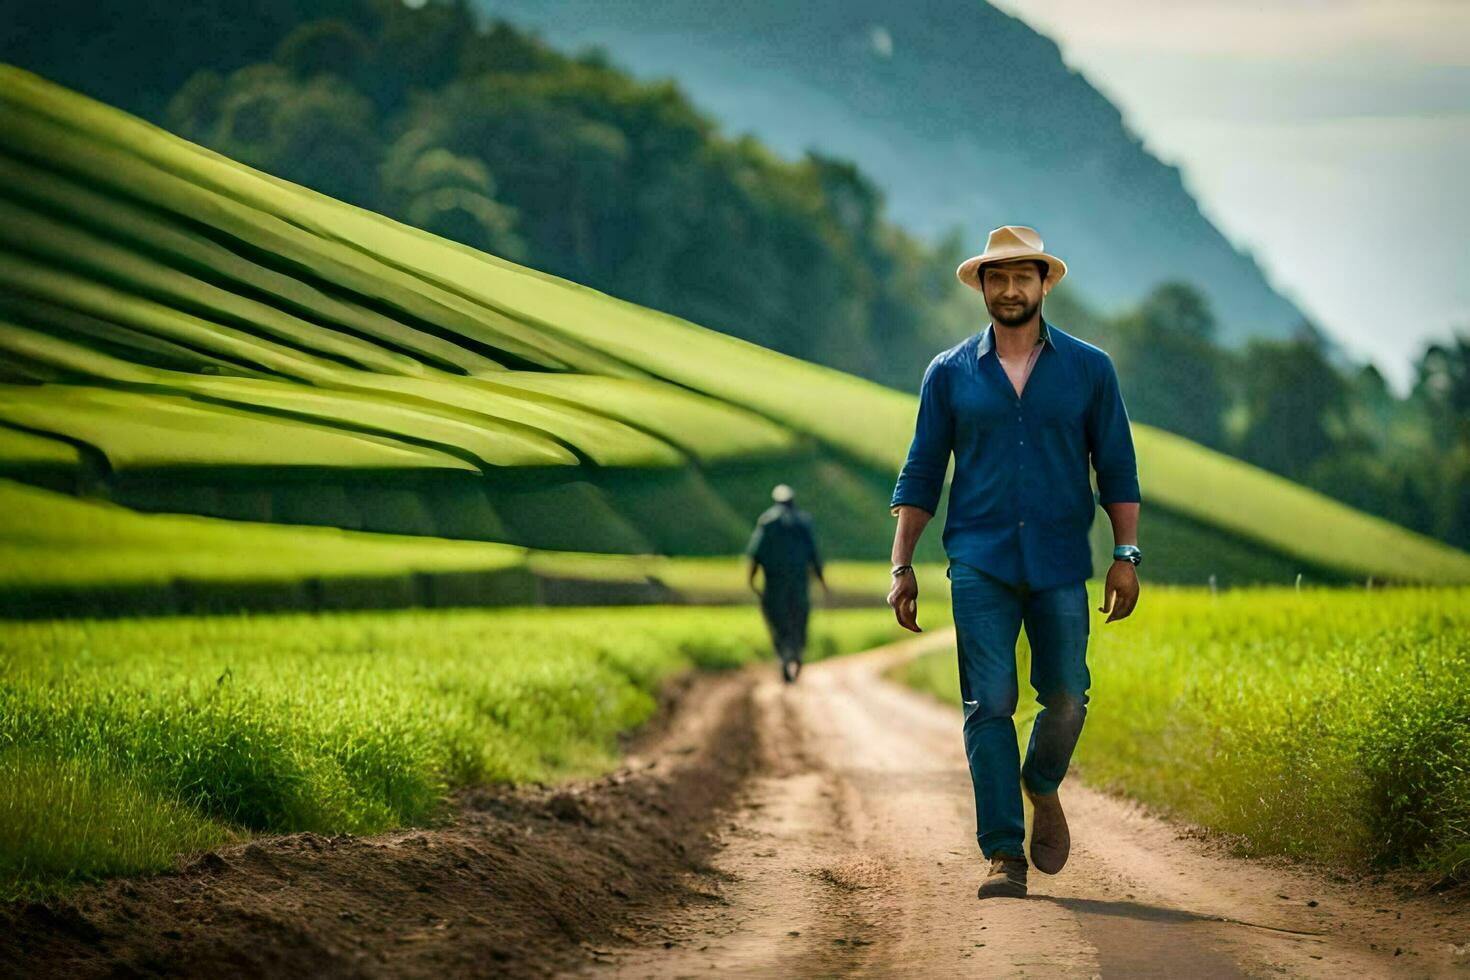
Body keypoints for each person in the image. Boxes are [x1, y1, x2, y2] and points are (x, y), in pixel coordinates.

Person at [886, 225, 1142, 900]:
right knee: (989, 703)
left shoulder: (1090, 370)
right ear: (981, 288)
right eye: (995, 279)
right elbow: (921, 471)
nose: (1008, 290)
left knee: (1066, 696)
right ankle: (1003, 852)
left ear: (1044, 284)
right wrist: (901, 565)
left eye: (1020, 278)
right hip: (979, 560)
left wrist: (1125, 554)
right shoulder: (949, 374)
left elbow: (1116, 466)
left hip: (1061, 559)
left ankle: (1041, 782)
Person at [746, 484, 829, 683]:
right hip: (799, 585)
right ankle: (797, 652)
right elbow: (814, 556)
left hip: (774, 585)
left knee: (777, 621)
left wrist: (751, 581)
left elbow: (756, 554)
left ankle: (784, 654)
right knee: (799, 620)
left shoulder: (767, 522)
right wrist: (822, 582)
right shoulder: (803, 523)